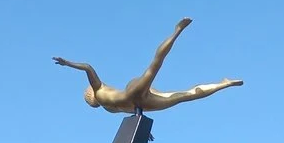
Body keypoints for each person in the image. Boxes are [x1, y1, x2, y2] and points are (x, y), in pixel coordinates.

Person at [54, 18, 243, 113]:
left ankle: (224, 84)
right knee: (156, 65)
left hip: (140, 103)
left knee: (185, 96)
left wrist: (140, 128)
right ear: (91, 94)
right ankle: (177, 31)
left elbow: (132, 116)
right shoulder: (99, 89)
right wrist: (67, 63)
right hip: (135, 95)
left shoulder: (110, 108)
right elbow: (88, 67)